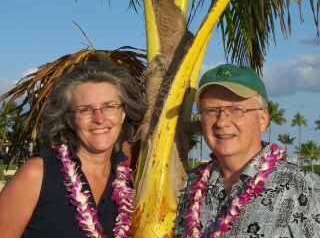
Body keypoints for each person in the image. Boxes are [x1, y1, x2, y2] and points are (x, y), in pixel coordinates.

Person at [0, 62, 146, 238]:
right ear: (69, 119)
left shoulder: (134, 180)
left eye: (109, 107)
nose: (99, 119)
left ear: (123, 113)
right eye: (85, 110)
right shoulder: (38, 173)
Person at [175, 64, 320, 237]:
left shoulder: (304, 187)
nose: (222, 122)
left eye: (237, 109)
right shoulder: (186, 186)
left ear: (263, 119)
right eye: (211, 111)